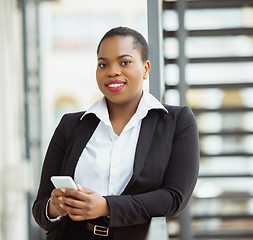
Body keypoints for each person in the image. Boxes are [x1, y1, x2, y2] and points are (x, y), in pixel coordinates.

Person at [32, 26, 199, 240]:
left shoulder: (176, 121)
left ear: (146, 68)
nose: (112, 71)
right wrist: (54, 207)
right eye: (103, 64)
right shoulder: (70, 125)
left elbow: (174, 198)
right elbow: (40, 208)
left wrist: (106, 206)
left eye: (125, 62)